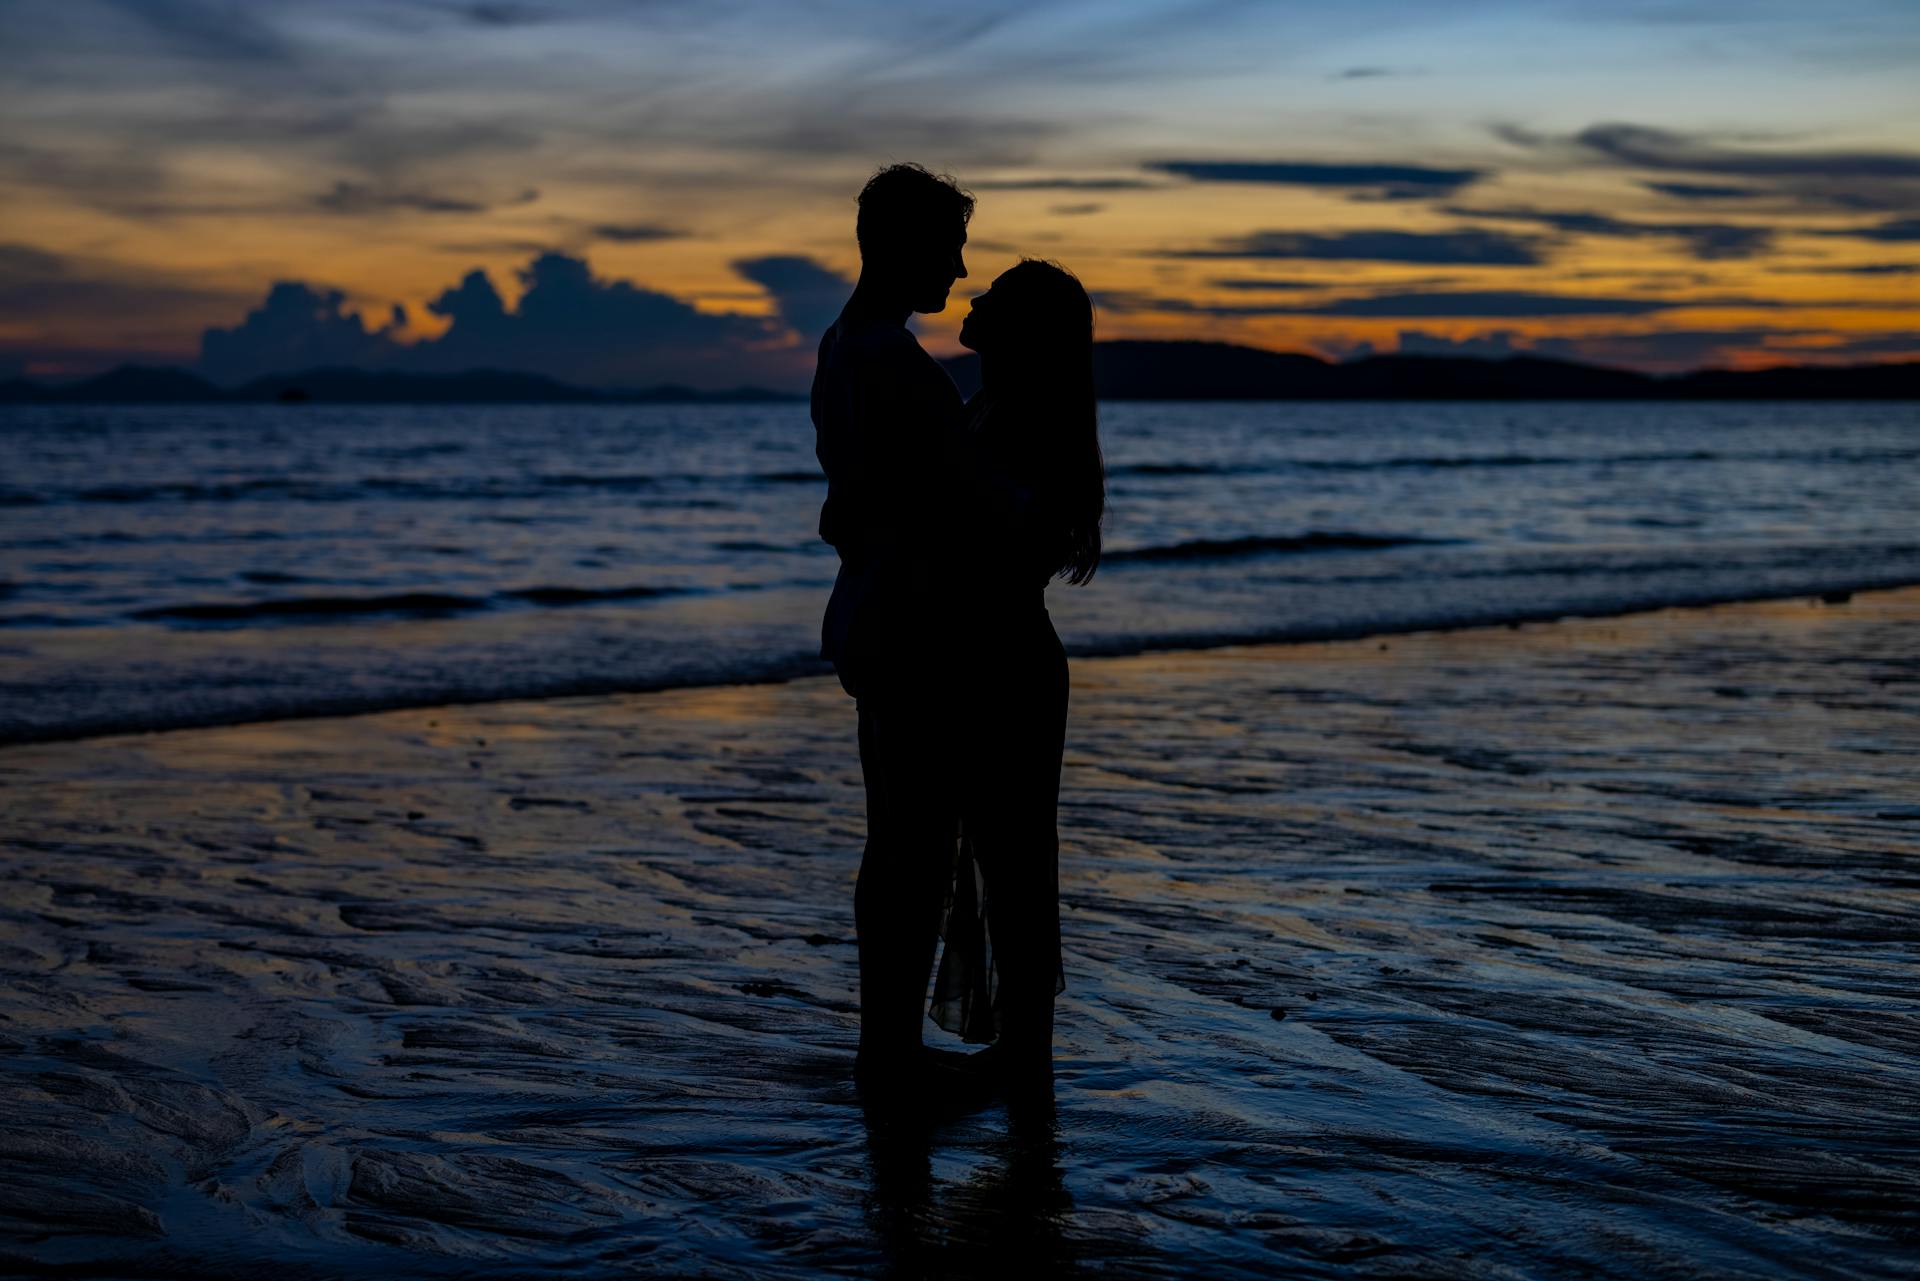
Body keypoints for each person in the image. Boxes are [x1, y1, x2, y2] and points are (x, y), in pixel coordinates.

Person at [810, 162, 975, 1095]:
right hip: (914, 620)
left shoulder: (841, 345)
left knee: (897, 840)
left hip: (874, 608)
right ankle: (893, 1053)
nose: (958, 268)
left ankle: (889, 1045)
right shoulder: (887, 360)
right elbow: (951, 504)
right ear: (905, 245)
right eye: (948, 246)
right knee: (917, 845)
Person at [929, 259, 1104, 1089]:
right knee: (996, 850)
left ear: (1023, 326)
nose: (973, 298)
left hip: (1008, 655)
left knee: (1013, 857)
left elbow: (1026, 534)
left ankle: (1026, 1052)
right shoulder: (985, 405)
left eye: (993, 296)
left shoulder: (1030, 418)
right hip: (979, 649)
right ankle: (1019, 1050)